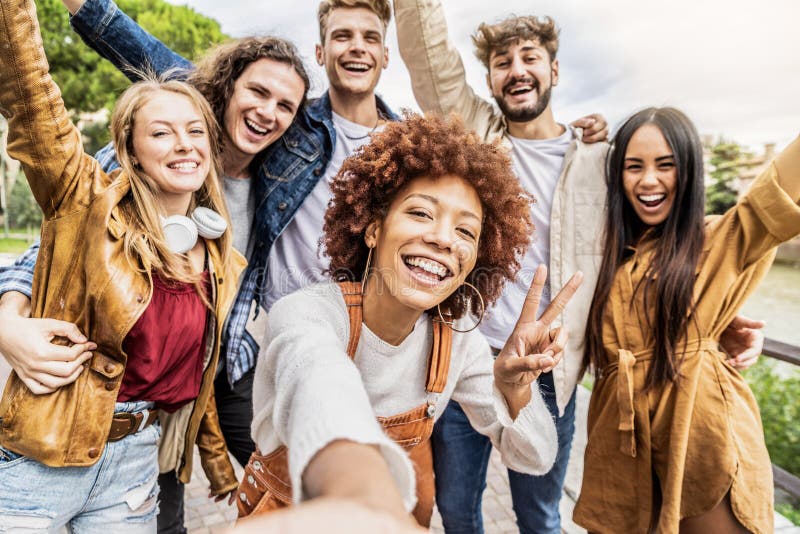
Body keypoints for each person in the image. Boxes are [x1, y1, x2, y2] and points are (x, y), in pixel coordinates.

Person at [393, 2, 766, 533]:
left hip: (552, 369)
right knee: (457, 509)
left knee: (540, 515)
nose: (517, 69)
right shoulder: (475, 135)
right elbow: (429, 58)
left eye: (530, 57)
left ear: (554, 71)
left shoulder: (603, 159)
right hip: (467, 359)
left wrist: (712, 312)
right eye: (502, 62)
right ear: (491, 79)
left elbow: (652, 246)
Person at [0, 0, 311, 530]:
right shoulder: (88, 203)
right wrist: (7, 325)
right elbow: (33, 100)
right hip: (47, 449)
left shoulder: (219, 255)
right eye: (162, 133)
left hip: (139, 458)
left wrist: (217, 465)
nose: (184, 145)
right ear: (130, 150)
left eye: (194, 133)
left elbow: (203, 367)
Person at [240, 113, 584, 528]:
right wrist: (368, 501)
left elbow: (534, 455)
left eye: (466, 231)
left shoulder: (457, 343)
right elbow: (322, 386)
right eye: (421, 213)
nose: (442, 238)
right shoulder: (306, 314)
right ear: (372, 229)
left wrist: (514, 393)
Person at [574, 108, 799, 533]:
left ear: (690, 171)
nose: (648, 181)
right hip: (620, 445)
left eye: (666, 165)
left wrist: (710, 327)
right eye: (633, 166)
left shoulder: (716, 239)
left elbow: (777, 192)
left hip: (701, 433)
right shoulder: (607, 258)